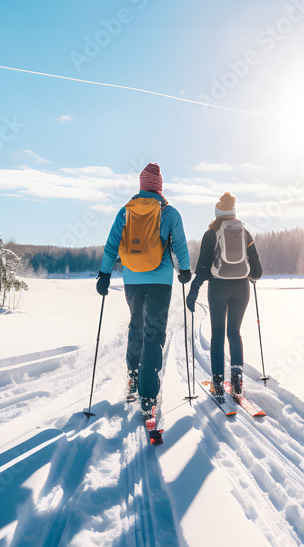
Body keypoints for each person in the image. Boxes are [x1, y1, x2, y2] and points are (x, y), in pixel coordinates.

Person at [96, 163, 191, 418]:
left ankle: (133, 377)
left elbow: (112, 244)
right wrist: (185, 269)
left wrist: (105, 273)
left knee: (136, 325)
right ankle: (149, 397)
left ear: (141, 185)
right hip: (160, 281)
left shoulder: (126, 212)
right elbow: (180, 245)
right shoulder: (169, 213)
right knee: (153, 333)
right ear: (159, 186)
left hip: (132, 279)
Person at [186, 192, 262, 396]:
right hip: (241, 289)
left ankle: (218, 381)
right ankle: (237, 378)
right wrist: (249, 275)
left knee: (218, 333)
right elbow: (257, 272)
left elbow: (202, 268)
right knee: (234, 333)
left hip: (218, 287)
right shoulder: (245, 233)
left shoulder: (211, 234)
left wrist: (194, 291)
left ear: (217, 212)